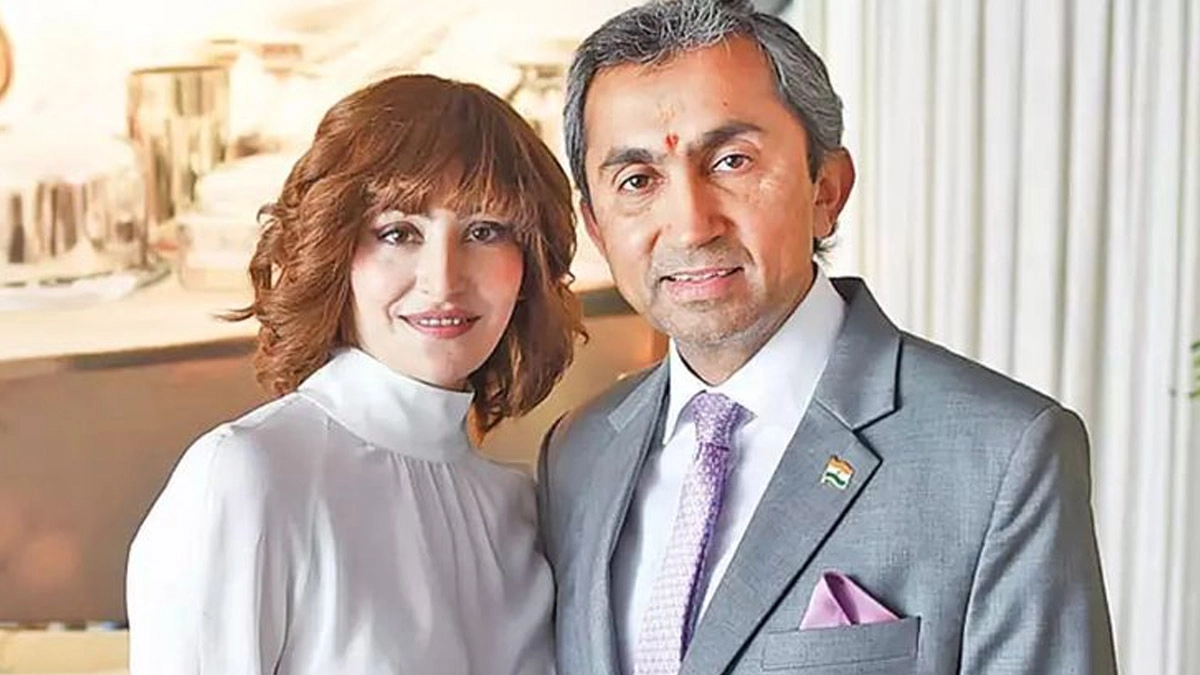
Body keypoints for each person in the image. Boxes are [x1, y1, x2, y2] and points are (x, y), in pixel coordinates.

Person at [536, 1, 1117, 673]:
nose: (691, 226)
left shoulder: (1002, 455)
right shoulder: (576, 453)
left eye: (731, 161)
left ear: (827, 189)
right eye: (637, 181)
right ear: (597, 225)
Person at [126, 73, 583, 674]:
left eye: (484, 231)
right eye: (399, 233)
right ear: (335, 252)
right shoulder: (251, 477)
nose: (443, 280)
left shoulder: (517, 510)